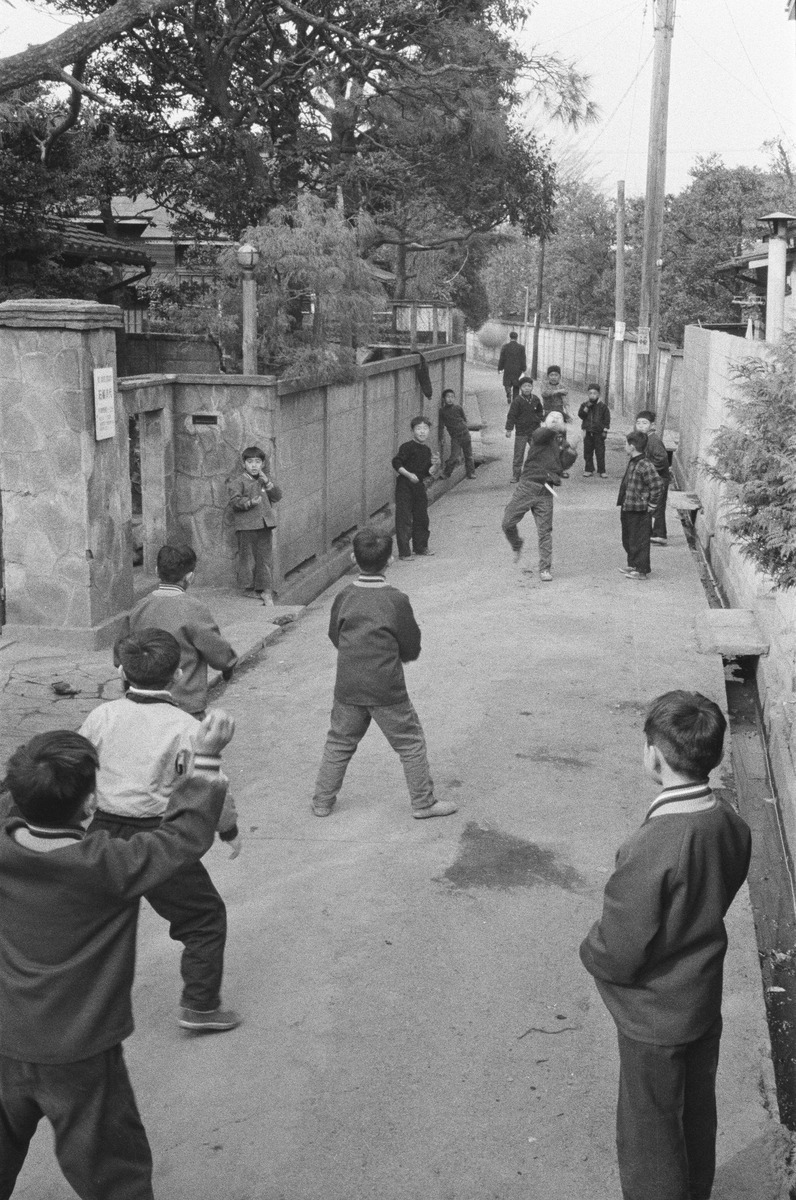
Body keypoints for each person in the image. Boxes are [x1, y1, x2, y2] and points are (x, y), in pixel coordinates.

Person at [0, 711, 235, 1200]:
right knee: (111, 1172)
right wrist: (208, 758)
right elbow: (183, 837)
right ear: (90, 803)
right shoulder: (107, 865)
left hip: (5, 1038)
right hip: (82, 1054)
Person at [580, 690, 751, 1200]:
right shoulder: (729, 820)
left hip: (656, 1017)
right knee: (696, 1114)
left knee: (650, 1134)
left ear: (654, 755)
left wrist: (590, 952)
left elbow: (619, 947)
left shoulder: (654, 844)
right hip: (702, 998)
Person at [80, 628, 241, 1035]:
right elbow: (207, 786)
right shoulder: (187, 727)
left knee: (95, 922)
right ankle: (200, 1005)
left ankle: (79, 1006)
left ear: (121, 671)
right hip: (160, 839)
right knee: (203, 918)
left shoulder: (101, 716)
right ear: (178, 674)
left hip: (102, 833)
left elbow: (79, 767)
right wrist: (228, 829)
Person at [311, 528, 457, 820]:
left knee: (339, 742)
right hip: (386, 688)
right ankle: (423, 803)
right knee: (410, 742)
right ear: (390, 560)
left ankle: (322, 802)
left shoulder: (344, 596)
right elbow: (411, 644)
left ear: (353, 558)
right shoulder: (396, 600)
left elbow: (335, 635)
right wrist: (399, 657)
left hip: (348, 686)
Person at [127, 544, 237, 717]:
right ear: (190, 577)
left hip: (143, 701)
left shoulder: (139, 607)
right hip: (184, 704)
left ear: (156, 571)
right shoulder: (194, 609)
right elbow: (216, 648)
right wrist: (228, 664)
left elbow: (121, 653)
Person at [501, 411, 577, 582]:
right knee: (507, 522)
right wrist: (553, 428)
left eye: (559, 418)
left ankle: (545, 568)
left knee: (545, 532)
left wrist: (571, 452)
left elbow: (562, 466)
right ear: (545, 422)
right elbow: (541, 434)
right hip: (528, 486)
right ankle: (517, 543)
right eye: (552, 417)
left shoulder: (561, 441)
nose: (556, 419)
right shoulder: (540, 434)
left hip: (546, 490)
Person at [227, 444, 283, 605]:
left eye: (257, 462)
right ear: (243, 464)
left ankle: (265, 589)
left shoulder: (263, 481)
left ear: (263, 464)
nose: (254, 466)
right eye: (250, 462)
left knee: (264, 558)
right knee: (248, 558)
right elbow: (234, 502)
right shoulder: (238, 482)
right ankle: (249, 588)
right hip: (246, 527)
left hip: (265, 525)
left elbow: (277, 496)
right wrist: (250, 502)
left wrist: (268, 483)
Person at [392, 415, 440, 560]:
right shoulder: (406, 447)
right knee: (404, 519)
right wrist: (409, 475)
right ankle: (404, 552)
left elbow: (428, 472)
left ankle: (421, 547)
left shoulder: (426, 450)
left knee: (422, 518)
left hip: (419, 486)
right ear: (412, 431)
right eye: (418, 428)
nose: (422, 432)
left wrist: (436, 464)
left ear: (429, 431)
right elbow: (396, 463)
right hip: (404, 486)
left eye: (425, 428)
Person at [617, 431, 663, 581]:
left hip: (639, 509)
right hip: (628, 506)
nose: (624, 446)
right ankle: (633, 564)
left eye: (626, 443)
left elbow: (657, 484)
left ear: (632, 446)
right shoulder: (633, 461)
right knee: (628, 538)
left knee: (639, 540)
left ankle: (641, 570)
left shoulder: (645, 464)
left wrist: (652, 504)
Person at [636, 410, 671, 546]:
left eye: (645, 423)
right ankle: (650, 533)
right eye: (638, 423)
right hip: (653, 479)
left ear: (652, 425)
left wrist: (647, 471)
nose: (641, 426)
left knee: (658, 507)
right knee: (650, 505)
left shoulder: (654, 440)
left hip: (660, 479)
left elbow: (662, 459)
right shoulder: (644, 439)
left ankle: (660, 535)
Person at [505, 375, 544, 483]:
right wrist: (509, 429)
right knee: (519, 454)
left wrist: (539, 418)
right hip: (521, 432)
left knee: (537, 452)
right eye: (524, 386)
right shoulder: (517, 400)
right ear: (520, 388)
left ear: (532, 387)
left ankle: (537, 474)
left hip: (534, 431)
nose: (527, 388)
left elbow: (540, 410)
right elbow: (511, 415)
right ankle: (516, 475)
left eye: (529, 386)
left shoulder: (535, 399)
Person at [438, 388, 476, 479]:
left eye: (452, 397)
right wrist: (441, 437)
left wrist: (464, 427)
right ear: (443, 399)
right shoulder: (442, 411)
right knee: (454, 457)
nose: (450, 399)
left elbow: (464, 418)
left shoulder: (458, 408)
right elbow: (441, 426)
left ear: (454, 398)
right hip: (455, 438)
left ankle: (471, 473)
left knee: (469, 456)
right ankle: (446, 473)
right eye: (448, 397)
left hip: (465, 435)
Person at [578, 383, 611, 478]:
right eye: (590, 393)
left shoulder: (603, 407)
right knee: (587, 451)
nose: (592, 395)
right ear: (588, 394)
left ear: (599, 394)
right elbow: (581, 415)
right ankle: (589, 469)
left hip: (598, 433)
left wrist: (605, 431)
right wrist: (586, 407)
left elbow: (607, 420)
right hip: (588, 432)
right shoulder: (584, 405)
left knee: (600, 452)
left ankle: (602, 470)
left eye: (595, 393)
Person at [497, 331, 527, 404]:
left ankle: (508, 391)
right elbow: (523, 358)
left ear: (510, 337)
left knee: (507, 383)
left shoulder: (505, 346)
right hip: (517, 369)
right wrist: (523, 368)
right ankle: (515, 401)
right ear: (517, 338)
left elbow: (502, 358)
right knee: (516, 385)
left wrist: (500, 368)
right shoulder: (521, 347)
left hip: (507, 368)